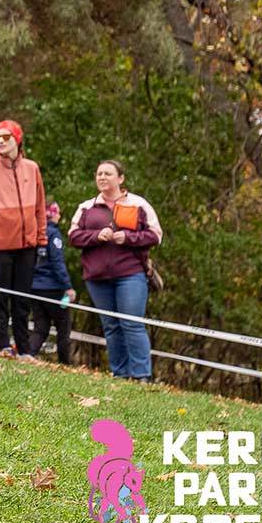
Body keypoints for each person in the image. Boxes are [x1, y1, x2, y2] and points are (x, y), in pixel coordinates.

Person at [67, 160, 161, 381]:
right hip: (97, 277)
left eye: (108, 173)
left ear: (120, 178)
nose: (102, 177)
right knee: (111, 326)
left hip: (130, 274)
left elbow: (155, 235)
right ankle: (120, 374)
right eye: (99, 173)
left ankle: (141, 376)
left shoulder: (138, 204)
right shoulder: (86, 208)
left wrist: (128, 238)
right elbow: (73, 236)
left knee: (131, 322)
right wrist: (96, 236)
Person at [0, 119, 47, 356]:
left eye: (6, 137)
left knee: (22, 300)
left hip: (27, 245)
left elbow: (40, 206)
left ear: (18, 139)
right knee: (0, 297)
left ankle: (24, 349)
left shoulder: (32, 168)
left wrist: (42, 240)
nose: (1, 142)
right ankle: (3, 345)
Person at [25, 200, 76, 363]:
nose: (59, 216)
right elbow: (57, 262)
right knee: (63, 327)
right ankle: (65, 364)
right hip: (53, 289)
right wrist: (68, 287)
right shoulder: (52, 234)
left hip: (34, 287)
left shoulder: (32, 231)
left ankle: (29, 354)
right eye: (58, 213)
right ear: (52, 214)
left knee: (41, 327)